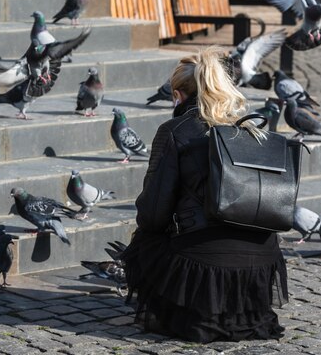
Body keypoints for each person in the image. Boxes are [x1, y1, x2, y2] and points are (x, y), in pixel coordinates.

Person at [123, 47, 288, 343]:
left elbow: (153, 214)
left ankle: (190, 310)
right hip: (262, 260)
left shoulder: (174, 130)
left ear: (178, 95)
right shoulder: (253, 130)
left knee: (144, 239)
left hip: (203, 262)